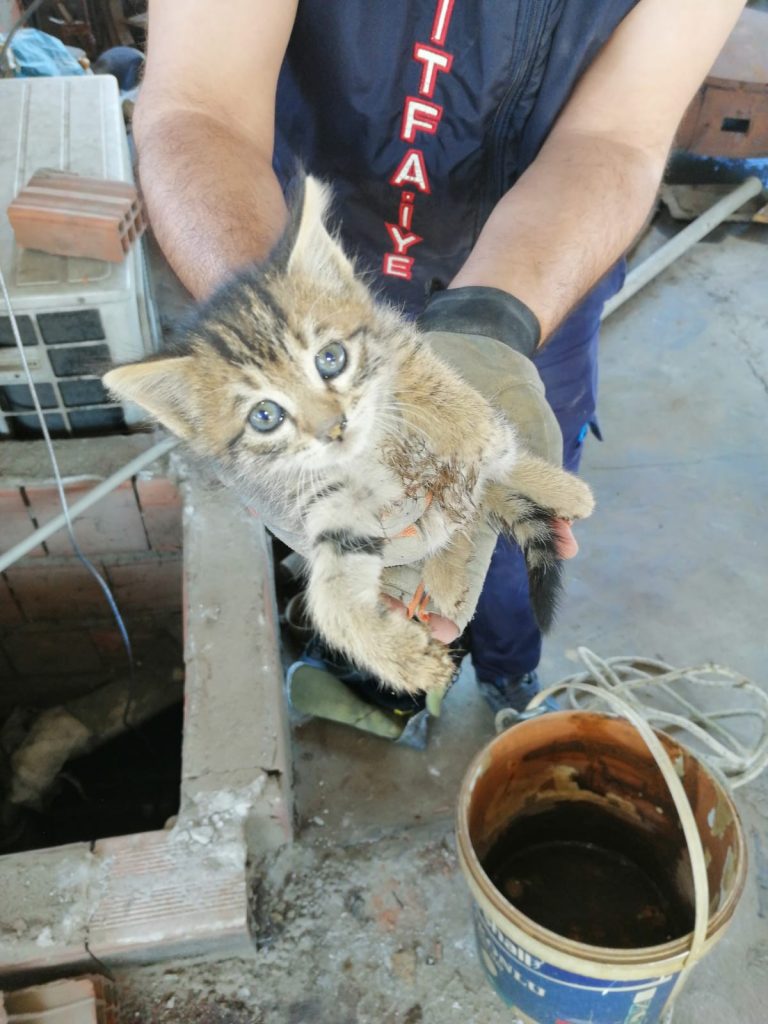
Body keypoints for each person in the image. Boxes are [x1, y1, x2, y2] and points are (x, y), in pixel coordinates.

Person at [133, 0, 745, 730]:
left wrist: (489, 327)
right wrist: (273, 348)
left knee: (507, 513)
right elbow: (200, 107)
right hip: (320, 268)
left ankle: (511, 672)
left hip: (538, 276)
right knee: (357, 540)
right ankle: (387, 688)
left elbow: (617, 136)